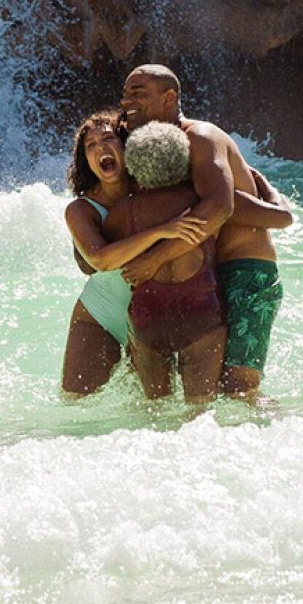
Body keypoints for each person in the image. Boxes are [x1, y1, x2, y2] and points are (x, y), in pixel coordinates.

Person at [120, 64, 292, 403]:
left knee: (238, 386)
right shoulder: (153, 146)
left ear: (169, 98)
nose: (126, 102)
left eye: (137, 93)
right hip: (204, 274)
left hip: (244, 271)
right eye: (125, 94)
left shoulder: (200, 137)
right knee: (196, 392)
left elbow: (219, 208)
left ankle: (280, 439)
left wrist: (154, 259)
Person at [61, 109, 206, 396]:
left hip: (152, 316)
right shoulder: (81, 209)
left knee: (152, 412)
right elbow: (101, 260)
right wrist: (162, 230)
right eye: (91, 146)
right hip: (100, 312)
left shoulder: (154, 189)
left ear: (126, 146)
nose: (100, 148)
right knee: (74, 406)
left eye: (108, 139)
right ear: (86, 161)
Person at [102, 121, 226, 403]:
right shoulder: (199, 202)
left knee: (155, 409)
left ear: (132, 164)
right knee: (200, 407)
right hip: (202, 313)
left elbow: (101, 256)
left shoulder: (124, 212)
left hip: (149, 317)